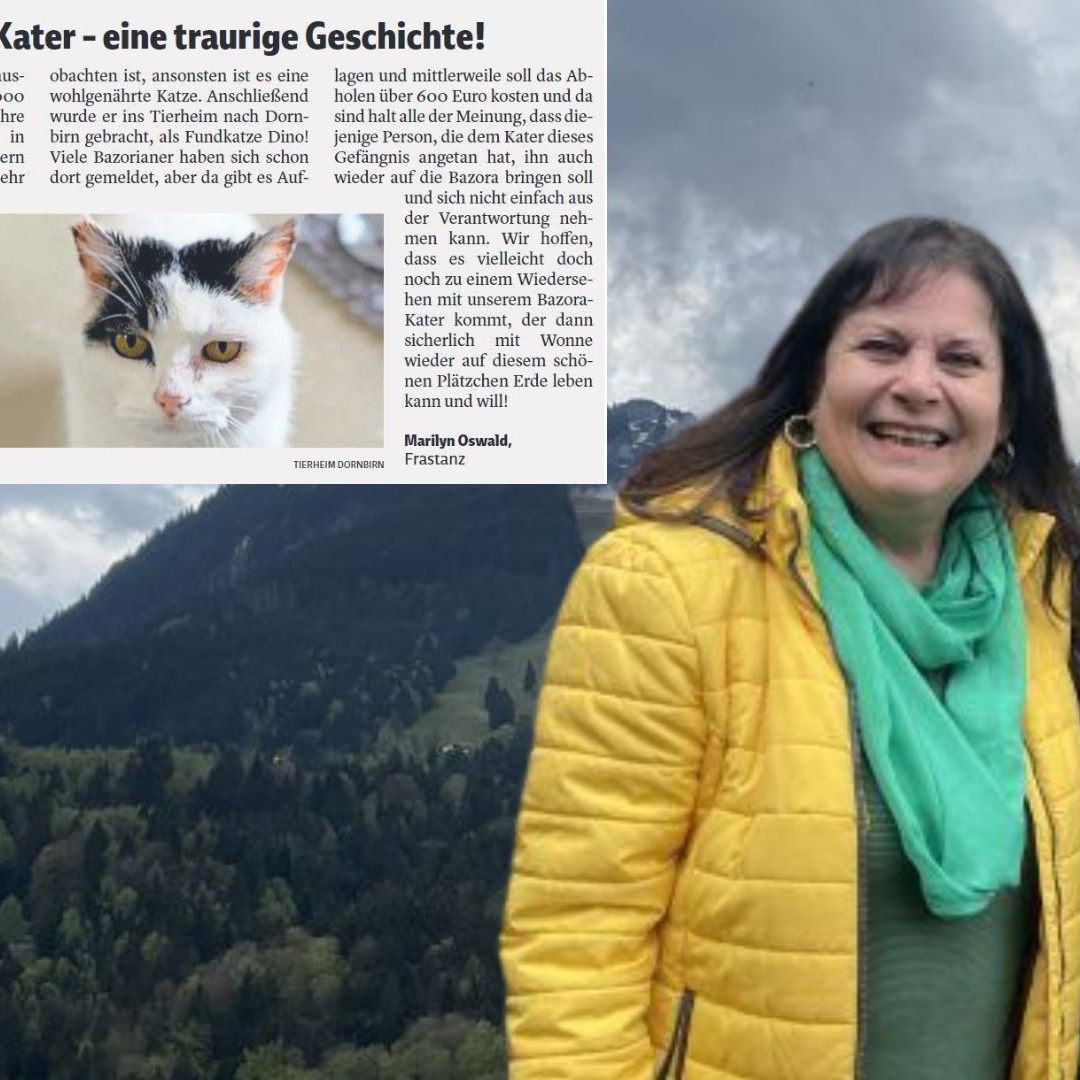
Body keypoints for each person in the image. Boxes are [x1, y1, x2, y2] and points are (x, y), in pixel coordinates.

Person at [500, 217, 1080, 1080]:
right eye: (881, 346)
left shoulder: (1049, 597)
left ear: (1005, 417)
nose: (918, 385)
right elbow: (578, 932)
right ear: (813, 381)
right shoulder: (665, 582)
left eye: (961, 360)